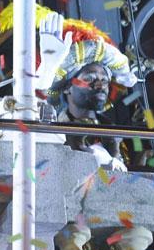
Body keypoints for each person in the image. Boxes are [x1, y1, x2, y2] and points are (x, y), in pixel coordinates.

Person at [35, 10, 138, 170]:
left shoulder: (116, 133)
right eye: (89, 79)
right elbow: (31, 108)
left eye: (104, 80)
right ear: (68, 86)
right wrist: (48, 68)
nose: (99, 85)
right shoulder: (52, 124)